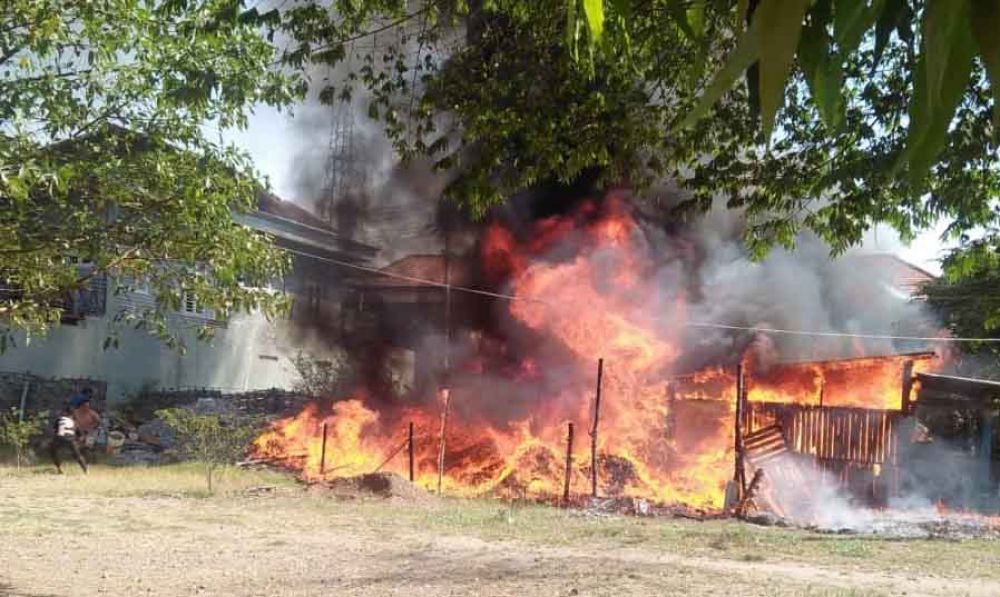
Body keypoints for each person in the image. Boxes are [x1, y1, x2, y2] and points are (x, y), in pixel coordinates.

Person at [51, 407, 88, 474]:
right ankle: (85, 470)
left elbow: (55, 430)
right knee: (78, 455)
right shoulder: (74, 422)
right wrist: (78, 442)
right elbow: (80, 435)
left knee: (53, 451)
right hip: (70, 439)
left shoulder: (60, 419)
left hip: (60, 437)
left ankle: (59, 468)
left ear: (65, 413)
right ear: (72, 415)